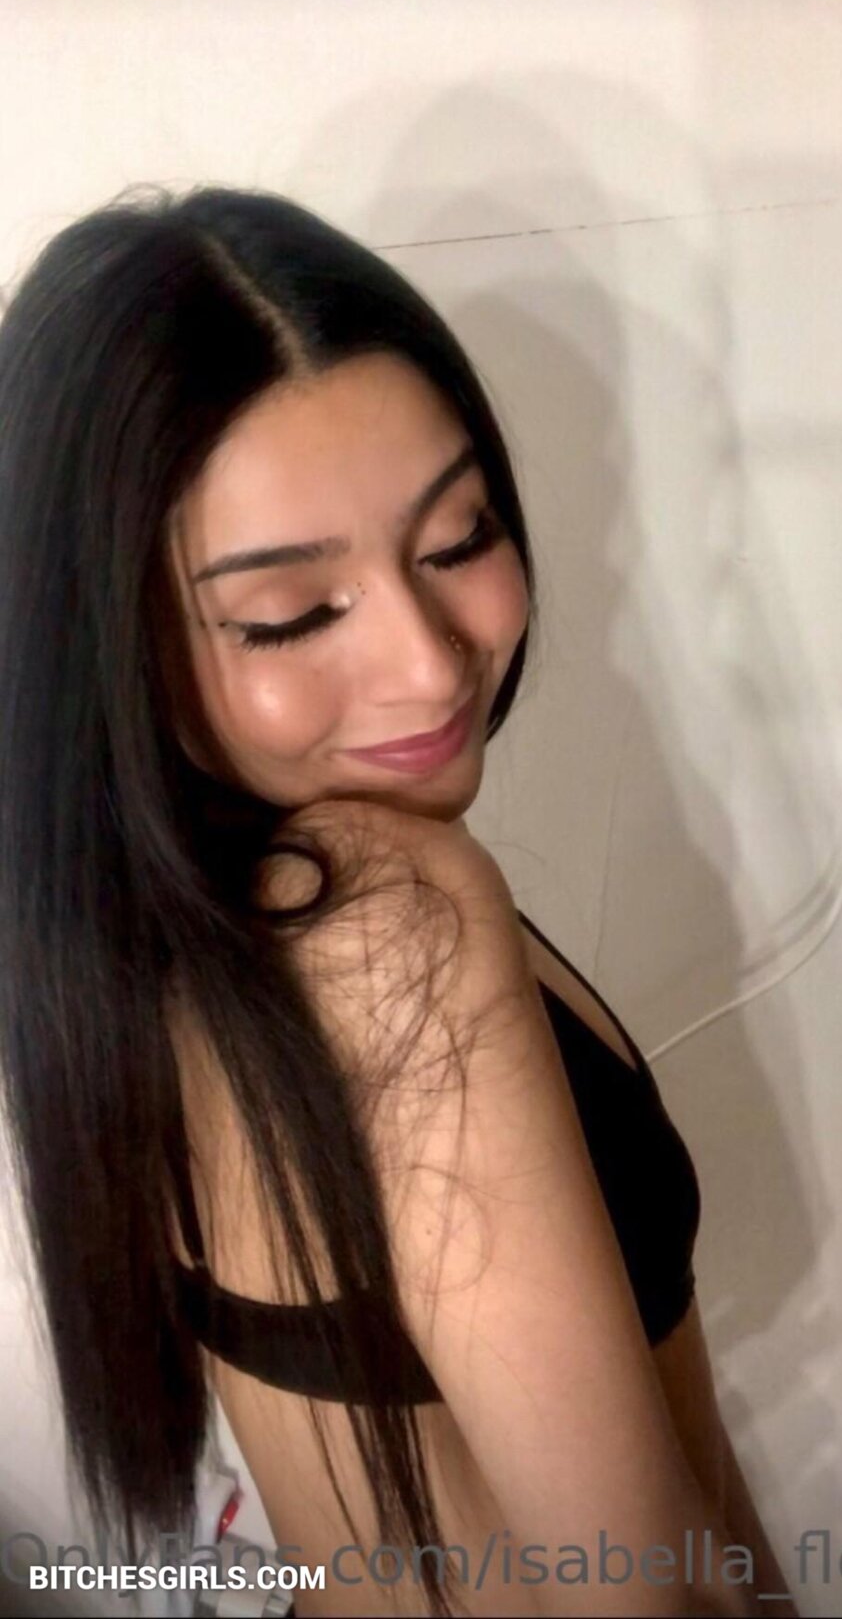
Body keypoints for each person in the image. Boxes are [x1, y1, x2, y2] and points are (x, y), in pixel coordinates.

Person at [0, 187, 795, 1619]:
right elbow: (641, 1592)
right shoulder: (386, 923)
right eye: (292, 615)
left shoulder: (154, 933)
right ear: (109, 643)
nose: (430, 665)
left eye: (458, 538)